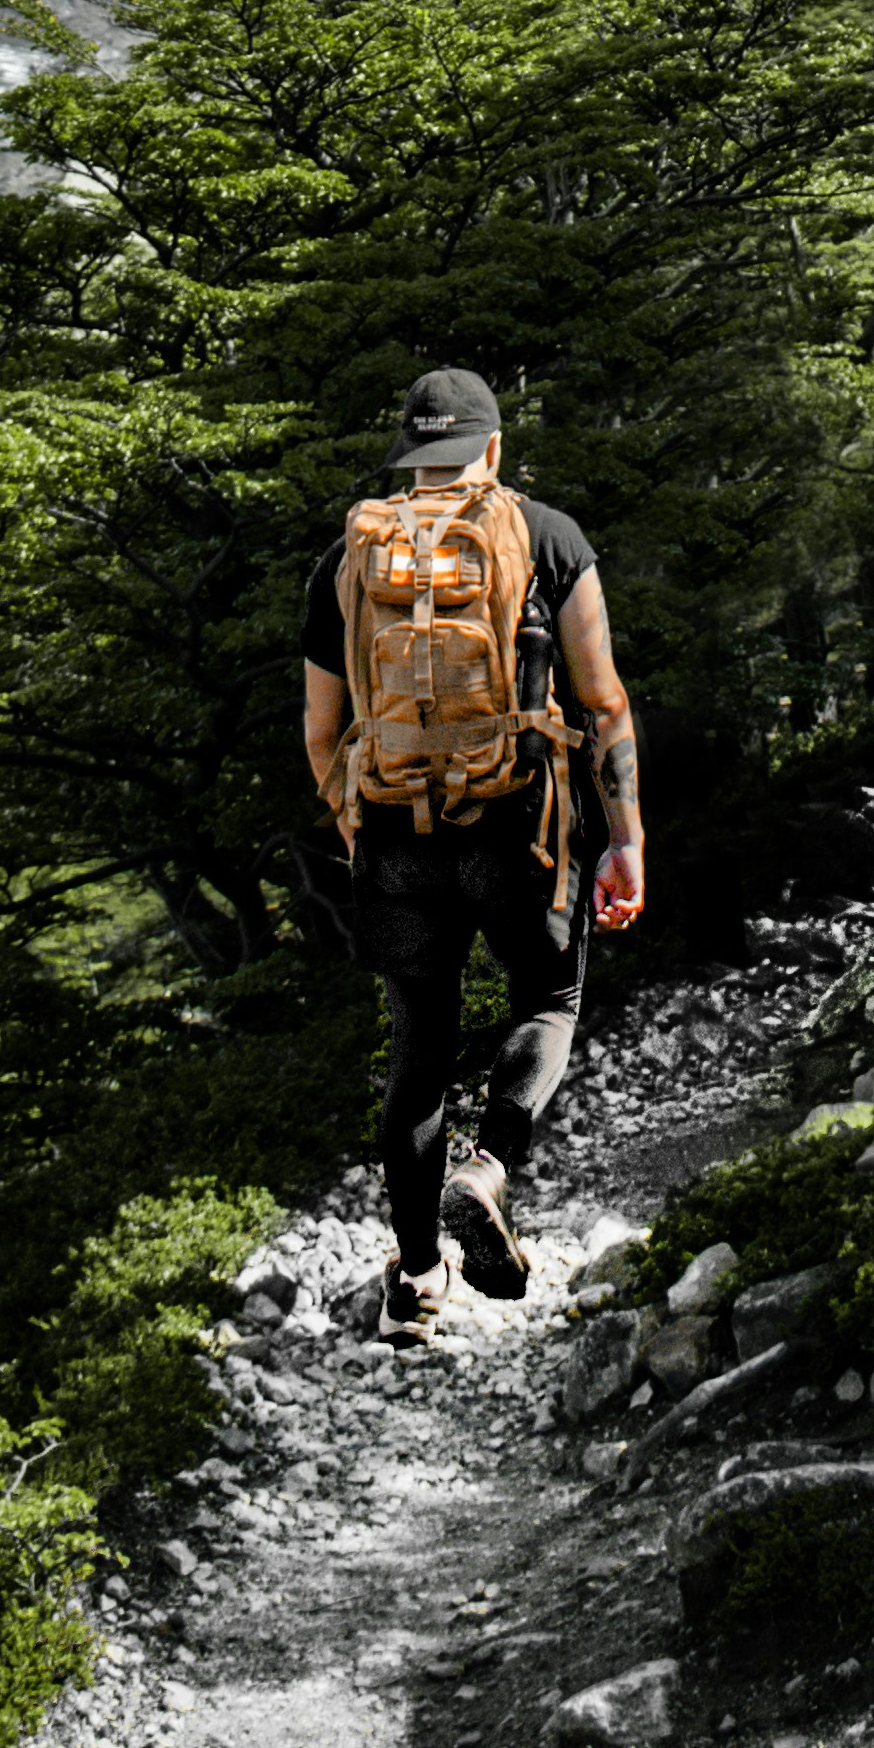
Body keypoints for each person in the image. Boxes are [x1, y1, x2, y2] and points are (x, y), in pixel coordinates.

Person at [301, 361, 646, 1344]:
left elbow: (321, 730)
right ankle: (488, 1167)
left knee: (419, 1046)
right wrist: (625, 838)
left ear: (408, 454)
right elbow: (603, 702)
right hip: (520, 819)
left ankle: (415, 1279)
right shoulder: (545, 536)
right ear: (491, 447)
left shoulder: (346, 559)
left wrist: (359, 822)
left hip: (394, 829)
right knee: (548, 1000)